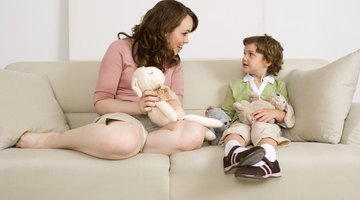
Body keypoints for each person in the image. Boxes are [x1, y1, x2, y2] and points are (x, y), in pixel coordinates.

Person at [16, 0, 207, 160]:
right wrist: (138, 107)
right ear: (165, 30)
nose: (187, 40)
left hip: (159, 126)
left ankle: (129, 146)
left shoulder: (174, 62)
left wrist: (169, 104)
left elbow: (176, 104)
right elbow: (101, 103)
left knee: (195, 133)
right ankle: (53, 139)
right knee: (123, 139)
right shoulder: (120, 49)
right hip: (124, 121)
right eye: (184, 33)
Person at [220, 35, 294, 179]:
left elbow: (285, 111)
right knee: (235, 130)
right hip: (242, 121)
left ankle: (269, 162)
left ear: (267, 61)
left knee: (265, 130)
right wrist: (216, 114)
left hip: (266, 124)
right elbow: (227, 113)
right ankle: (233, 153)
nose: (244, 58)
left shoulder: (279, 86)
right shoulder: (235, 85)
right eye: (244, 53)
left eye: (250, 54)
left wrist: (274, 113)